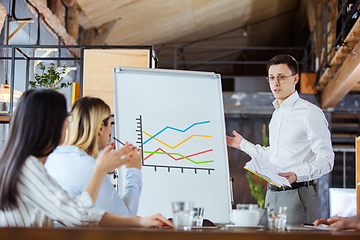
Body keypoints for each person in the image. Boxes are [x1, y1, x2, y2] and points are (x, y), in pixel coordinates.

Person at [0, 89, 172, 228]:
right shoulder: (29, 168)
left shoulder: (21, 163)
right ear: (49, 124)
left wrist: (140, 221)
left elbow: (85, 214)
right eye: (63, 119)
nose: (67, 124)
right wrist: (108, 170)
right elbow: (78, 216)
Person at [226, 55, 334, 224]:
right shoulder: (277, 114)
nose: (275, 83)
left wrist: (297, 175)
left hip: (297, 194)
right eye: (271, 78)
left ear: (295, 79)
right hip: (271, 195)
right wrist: (241, 145)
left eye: (281, 77)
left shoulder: (309, 113)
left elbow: (327, 160)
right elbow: (274, 156)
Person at [45, 97, 141, 217]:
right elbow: (126, 218)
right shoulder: (90, 167)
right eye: (111, 123)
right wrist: (134, 171)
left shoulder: (52, 157)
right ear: (101, 127)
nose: (111, 130)